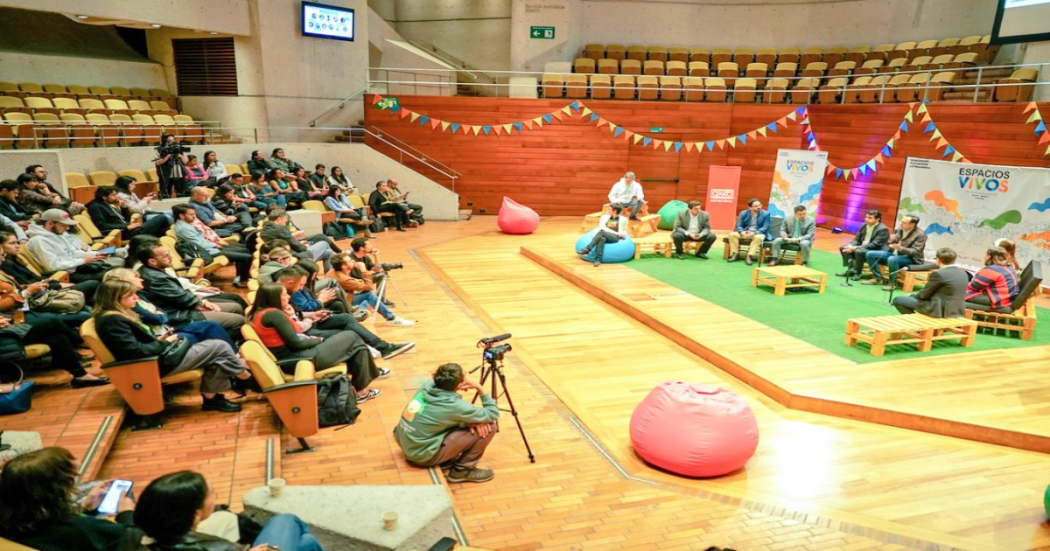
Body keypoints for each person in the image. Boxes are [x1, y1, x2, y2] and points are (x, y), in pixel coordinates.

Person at [94, 279, 252, 412]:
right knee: (218, 347)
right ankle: (245, 378)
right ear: (115, 299)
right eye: (130, 295)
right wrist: (163, 343)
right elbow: (134, 352)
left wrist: (159, 340)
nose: (136, 298)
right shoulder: (112, 321)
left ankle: (215, 396)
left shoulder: (114, 315)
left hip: (157, 356)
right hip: (152, 364)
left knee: (217, 351)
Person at [250, 283, 385, 402]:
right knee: (351, 336)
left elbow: (294, 335)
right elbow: (296, 343)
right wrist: (319, 340)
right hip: (299, 358)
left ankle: (362, 391)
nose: (288, 297)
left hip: (296, 356)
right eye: (285, 295)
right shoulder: (274, 314)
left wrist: (293, 317)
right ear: (274, 297)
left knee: (356, 346)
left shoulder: (261, 313)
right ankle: (366, 384)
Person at [135, 470, 323, 551]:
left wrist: (124, 511)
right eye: (211, 494)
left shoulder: (133, 536)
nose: (215, 494)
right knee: (286, 521)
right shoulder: (213, 548)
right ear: (196, 514)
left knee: (307, 543)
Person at [0, 447, 139, 551]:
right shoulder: (83, 528)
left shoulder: (7, 520)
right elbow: (136, 541)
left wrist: (85, 508)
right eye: (70, 481)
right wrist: (127, 513)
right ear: (57, 489)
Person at [394, 363, 500, 483]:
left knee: (467, 421)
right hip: (421, 455)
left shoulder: (428, 385)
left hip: (407, 442)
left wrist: (471, 420)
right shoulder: (454, 406)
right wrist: (480, 388)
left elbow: (448, 414)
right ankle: (462, 471)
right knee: (490, 427)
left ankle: (445, 460)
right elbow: (493, 413)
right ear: (460, 384)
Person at [279, 265, 414, 359]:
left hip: (307, 322)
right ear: (290, 282)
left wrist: (313, 315)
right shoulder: (281, 297)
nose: (302, 287)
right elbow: (296, 325)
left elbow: (298, 314)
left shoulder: (286, 291)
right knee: (348, 333)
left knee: (345, 317)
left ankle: (383, 347)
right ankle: (372, 352)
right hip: (307, 331)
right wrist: (313, 314)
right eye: (301, 285)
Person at [103, 268, 235, 348]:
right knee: (215, 342)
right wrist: (157, 314)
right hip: (163, 336)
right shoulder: (125, 306)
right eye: (135, 277)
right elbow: (155, 318)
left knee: (212, 327)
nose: (141, 280)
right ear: (123, 280)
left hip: (167, 328)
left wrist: (158, 313)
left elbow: (162, 313)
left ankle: (237, 360)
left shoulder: (140, 294)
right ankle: (238, 367)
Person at [137, 242, 246, 336]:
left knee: (235, 306)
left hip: (183, 308)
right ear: (152, 261)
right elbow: (182, 298)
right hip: (179, 316)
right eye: (165, 256)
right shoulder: (156, 278)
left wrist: (199, 298)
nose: (171, 257)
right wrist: (201, 303)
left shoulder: (152, 271)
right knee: (238, 320)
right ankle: (226, 346)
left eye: (169, 253)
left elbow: (179, 295)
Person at [0, 230, 100, 304]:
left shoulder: (15, 259)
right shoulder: (4, 265)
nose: (17, 246)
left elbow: (35, 277)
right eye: (12, 243)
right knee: (93, 284)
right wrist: (58, 285)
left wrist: (55, 282)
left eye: (17, 242)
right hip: (39, 295)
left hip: (45, 287)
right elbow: (26, 284)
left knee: (89, 294)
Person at [328, 250, 415, 326]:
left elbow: (352, 282)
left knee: (367, 300)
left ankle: (357, 310)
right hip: (344, 302)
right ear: (343, 266)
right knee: (369, 295)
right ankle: (391, 318)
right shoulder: (345, 280)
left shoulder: (332, 271)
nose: (353, 261)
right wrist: (363, 270)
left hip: (337, 300)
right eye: (350, 261)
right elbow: (369, 287)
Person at [173, 204, 252, 288]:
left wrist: (215, 243)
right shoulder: (183, 228)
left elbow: (201, 239)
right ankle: (242, 281)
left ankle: (240, 277)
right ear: (181, 216)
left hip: (208, 248)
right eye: (191, 214)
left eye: (194, 214)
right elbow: (199, 244)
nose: (194, 216)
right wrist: (215, 244)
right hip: (205, 253)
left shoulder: (186, 224)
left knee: (244, 250)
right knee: (246, 257)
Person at [26, 209, 124, 276]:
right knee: (113, 275)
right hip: (68, 274)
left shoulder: (58, 234)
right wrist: (84, 261)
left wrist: (96, 254)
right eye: (64, 225)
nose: (67, 228)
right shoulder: (38, 241)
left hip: (77, 267)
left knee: (115, 269)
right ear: (50, 223)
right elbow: (52, 266)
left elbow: (73, 252)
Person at [892, 247, 968, 318]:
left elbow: (924, 295)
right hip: (957, 310)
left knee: (898, 300)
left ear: (938, 260)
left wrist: (912, 296)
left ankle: (917, 326)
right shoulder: (963, 273)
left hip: (939, 310)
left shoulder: (939, 274)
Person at [863, 214, 927, 290]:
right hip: (895, 255)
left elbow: (916, 251)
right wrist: (890, 240)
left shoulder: (921, 235)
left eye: (904, 222)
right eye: (901, 221)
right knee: (870, 254)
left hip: (912, 259)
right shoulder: (899, 229)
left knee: (892, 259)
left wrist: (900, 248)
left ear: (912, 224)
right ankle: (877, 278)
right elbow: (890, 243)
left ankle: (892, 283)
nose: (901, 224)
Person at [261, 209, 335, 272]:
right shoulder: (280, 229)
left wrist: (300, 243)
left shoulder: (266, 228)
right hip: (294, 255)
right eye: (285, 220)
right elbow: (297, 247)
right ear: (280, 219)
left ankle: (331, 273)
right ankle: (337, 265)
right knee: (324, 243)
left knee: (328, 252)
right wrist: (305, 246)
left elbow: (288, 242)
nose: (285, 223)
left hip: (284, 253)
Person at [87, 186, 171, 240]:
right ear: (104, 197)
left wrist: (124, 207)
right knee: (162, 217)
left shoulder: (108, 204)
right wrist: (126, 227)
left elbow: (126, 219)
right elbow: (102, 225)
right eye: (113, 195)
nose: (116, 197)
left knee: (165, 230)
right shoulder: (96, 207)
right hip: (123, 233)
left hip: (130, 230)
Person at [838, 209, 889, 280]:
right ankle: (850, 270)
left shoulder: (883, 229)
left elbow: (875, 245)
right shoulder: (864, 225)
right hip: (863, 247)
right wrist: (850, 246)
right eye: (866, 217)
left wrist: (856, 248)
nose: (867, 219)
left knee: (859, 251)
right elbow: (857, 239)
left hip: (875, 250)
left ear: (877, 219)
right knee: (844, 248)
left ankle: (857, 272)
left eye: (870, 218)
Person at [726, 198, 771, 266]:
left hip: (758, 233)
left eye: (759, 205)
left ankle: (749, 256)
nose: (759, 207)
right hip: (746, 232)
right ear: (750, 207)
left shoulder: (766, 214)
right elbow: (739, 225)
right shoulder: (743, 213)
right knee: (732, 235)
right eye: (756, 206)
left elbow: (765, 227)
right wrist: (742, 232)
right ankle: (735, 254)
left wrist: (754, 232)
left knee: (758, 237)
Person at [154, 132, 189, 198]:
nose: (172, 142)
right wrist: (167, 157)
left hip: (178, 171)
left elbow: (186, 162)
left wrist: (180, 156)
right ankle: (165, 196)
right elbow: (158, 162)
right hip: (166, 172)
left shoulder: (177, 148)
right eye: (169, 141)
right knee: (166, 190)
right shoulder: (160, 149)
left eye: (173, 140)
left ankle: (181, 194)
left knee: (181, 188)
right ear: (164, 141)